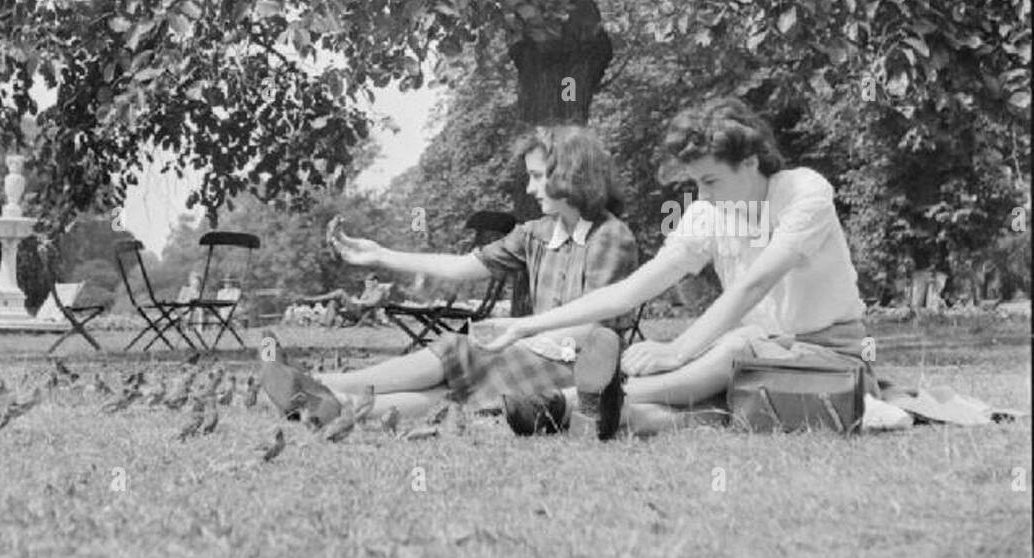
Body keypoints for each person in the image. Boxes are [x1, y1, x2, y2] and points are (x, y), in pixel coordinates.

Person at [476, 97, 879, 438]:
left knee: (734, 346)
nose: (701, 195)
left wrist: (676, 350)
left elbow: (754, 285)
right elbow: (631, 290)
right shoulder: (708, 211)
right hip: (756, 364)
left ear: (751, 162)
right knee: (709, 396)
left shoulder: (803, 191)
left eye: (711, 181)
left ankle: (570, 401)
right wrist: (529, 325)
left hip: (830, 360)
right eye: (695, 183)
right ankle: (602, 415)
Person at [258, 124, 639, 430]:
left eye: (538, 177)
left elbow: (595, 328)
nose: (529, 188)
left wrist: (518, 333)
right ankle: (332, 406)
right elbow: (460, 266)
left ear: (570, 175)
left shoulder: (611, 236)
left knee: (462, 351)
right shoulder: (537, 232)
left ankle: (319, 387)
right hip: (535, 354)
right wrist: (382, 255)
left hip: (581, 373)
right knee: (450, 393)